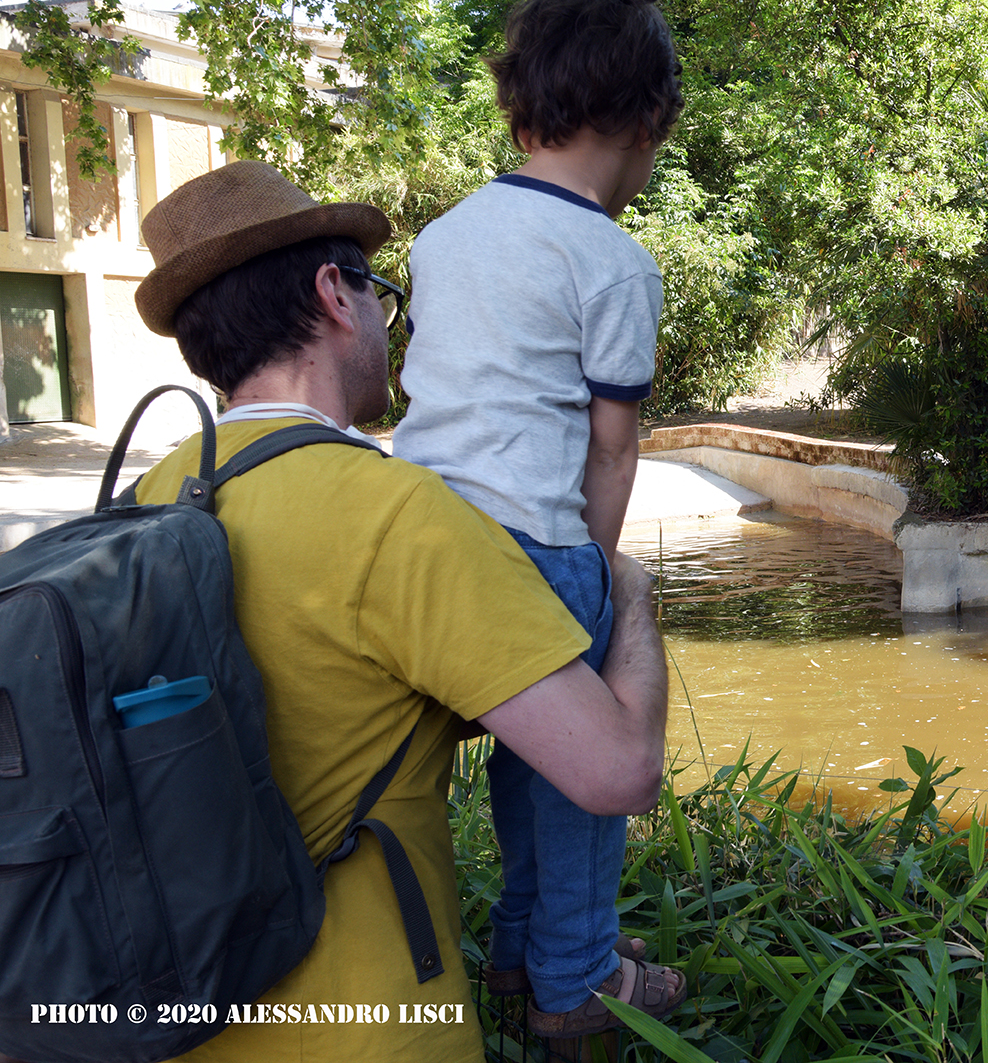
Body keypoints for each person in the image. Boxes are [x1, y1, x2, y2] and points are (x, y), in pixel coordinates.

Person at [127, 159, 680, 1060]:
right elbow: (617, 772)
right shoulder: (401, 516)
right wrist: (631, 593)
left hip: (173, 1015)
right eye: (382, 296)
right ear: (334, 297)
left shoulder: (143, 502)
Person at [392, 0, 685, 1037]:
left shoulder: (443, 236)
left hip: (420, 547)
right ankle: (576, 977)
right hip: (534, 544)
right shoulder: (613, 262)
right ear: (649, 122)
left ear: (520, 111)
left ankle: (524, 947)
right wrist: (599, 577)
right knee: (579, 775)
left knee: (532, 752)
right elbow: (608, 450)